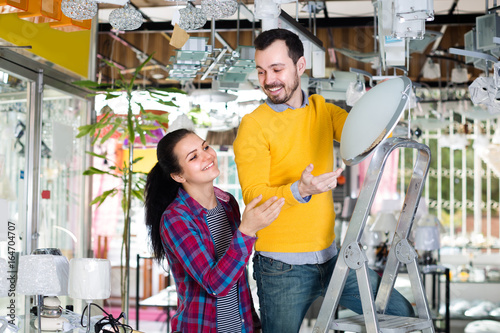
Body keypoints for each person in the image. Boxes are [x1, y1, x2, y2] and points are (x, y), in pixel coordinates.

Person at [233, 28, 415, 333]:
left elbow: (363, 134)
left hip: (334, 260)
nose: (268, 80)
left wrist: (386, 105)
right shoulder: (253, 126)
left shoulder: (323, 111)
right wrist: (300, 189)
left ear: (300, 67)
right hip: (281, 268)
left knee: (401, 312)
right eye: (261, 71)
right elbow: (255, 196)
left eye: (277, 69)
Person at [144, 128, 285, 333]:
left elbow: (238, 277)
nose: (207, 156)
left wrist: (254, 324)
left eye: (205, 147)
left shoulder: (228, 204)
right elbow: (215, 285)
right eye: (193, 157)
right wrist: (246, 230)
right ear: (178, 175)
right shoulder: (175, 219)